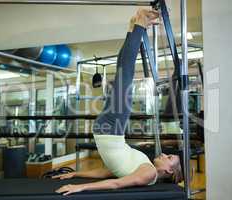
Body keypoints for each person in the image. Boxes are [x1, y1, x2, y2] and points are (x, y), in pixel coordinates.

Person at [54, 9, 183, 196]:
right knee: (123, 72)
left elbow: (116, 184)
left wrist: (80, 186)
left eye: (169, 157)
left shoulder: (149, 173)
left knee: (126, 74)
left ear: (169, 171)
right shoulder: (145, 166)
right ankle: (134, 27)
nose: (164, 154)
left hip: (111, 129)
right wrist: (77, 174)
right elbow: (108, 172)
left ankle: (139, 24)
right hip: (108, 130)